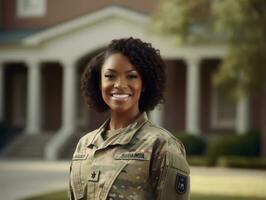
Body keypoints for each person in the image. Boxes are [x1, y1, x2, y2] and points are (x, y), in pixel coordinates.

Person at [69, 37, 190, 200]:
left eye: (131, 76)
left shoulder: (162, 145)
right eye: (110, 76)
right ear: (99, 84)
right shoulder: (84, 145)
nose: (119, 84)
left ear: (144, 84)